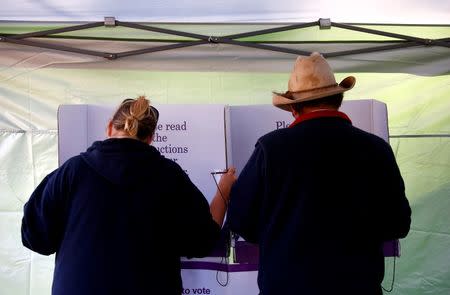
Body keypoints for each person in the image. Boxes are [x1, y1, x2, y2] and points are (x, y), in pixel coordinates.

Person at [226, 52, 412, 295]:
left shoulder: (271, 149)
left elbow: (242, 222)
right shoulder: (376, 149)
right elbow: (397, 224)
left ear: (293, 108)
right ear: (338, 99)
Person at [21, 96, 236, 295]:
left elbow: (35, 238)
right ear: (151, 138)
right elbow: (203, 241)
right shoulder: (170, 177)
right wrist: (223, 192)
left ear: (109, 128)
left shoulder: (71, 172)